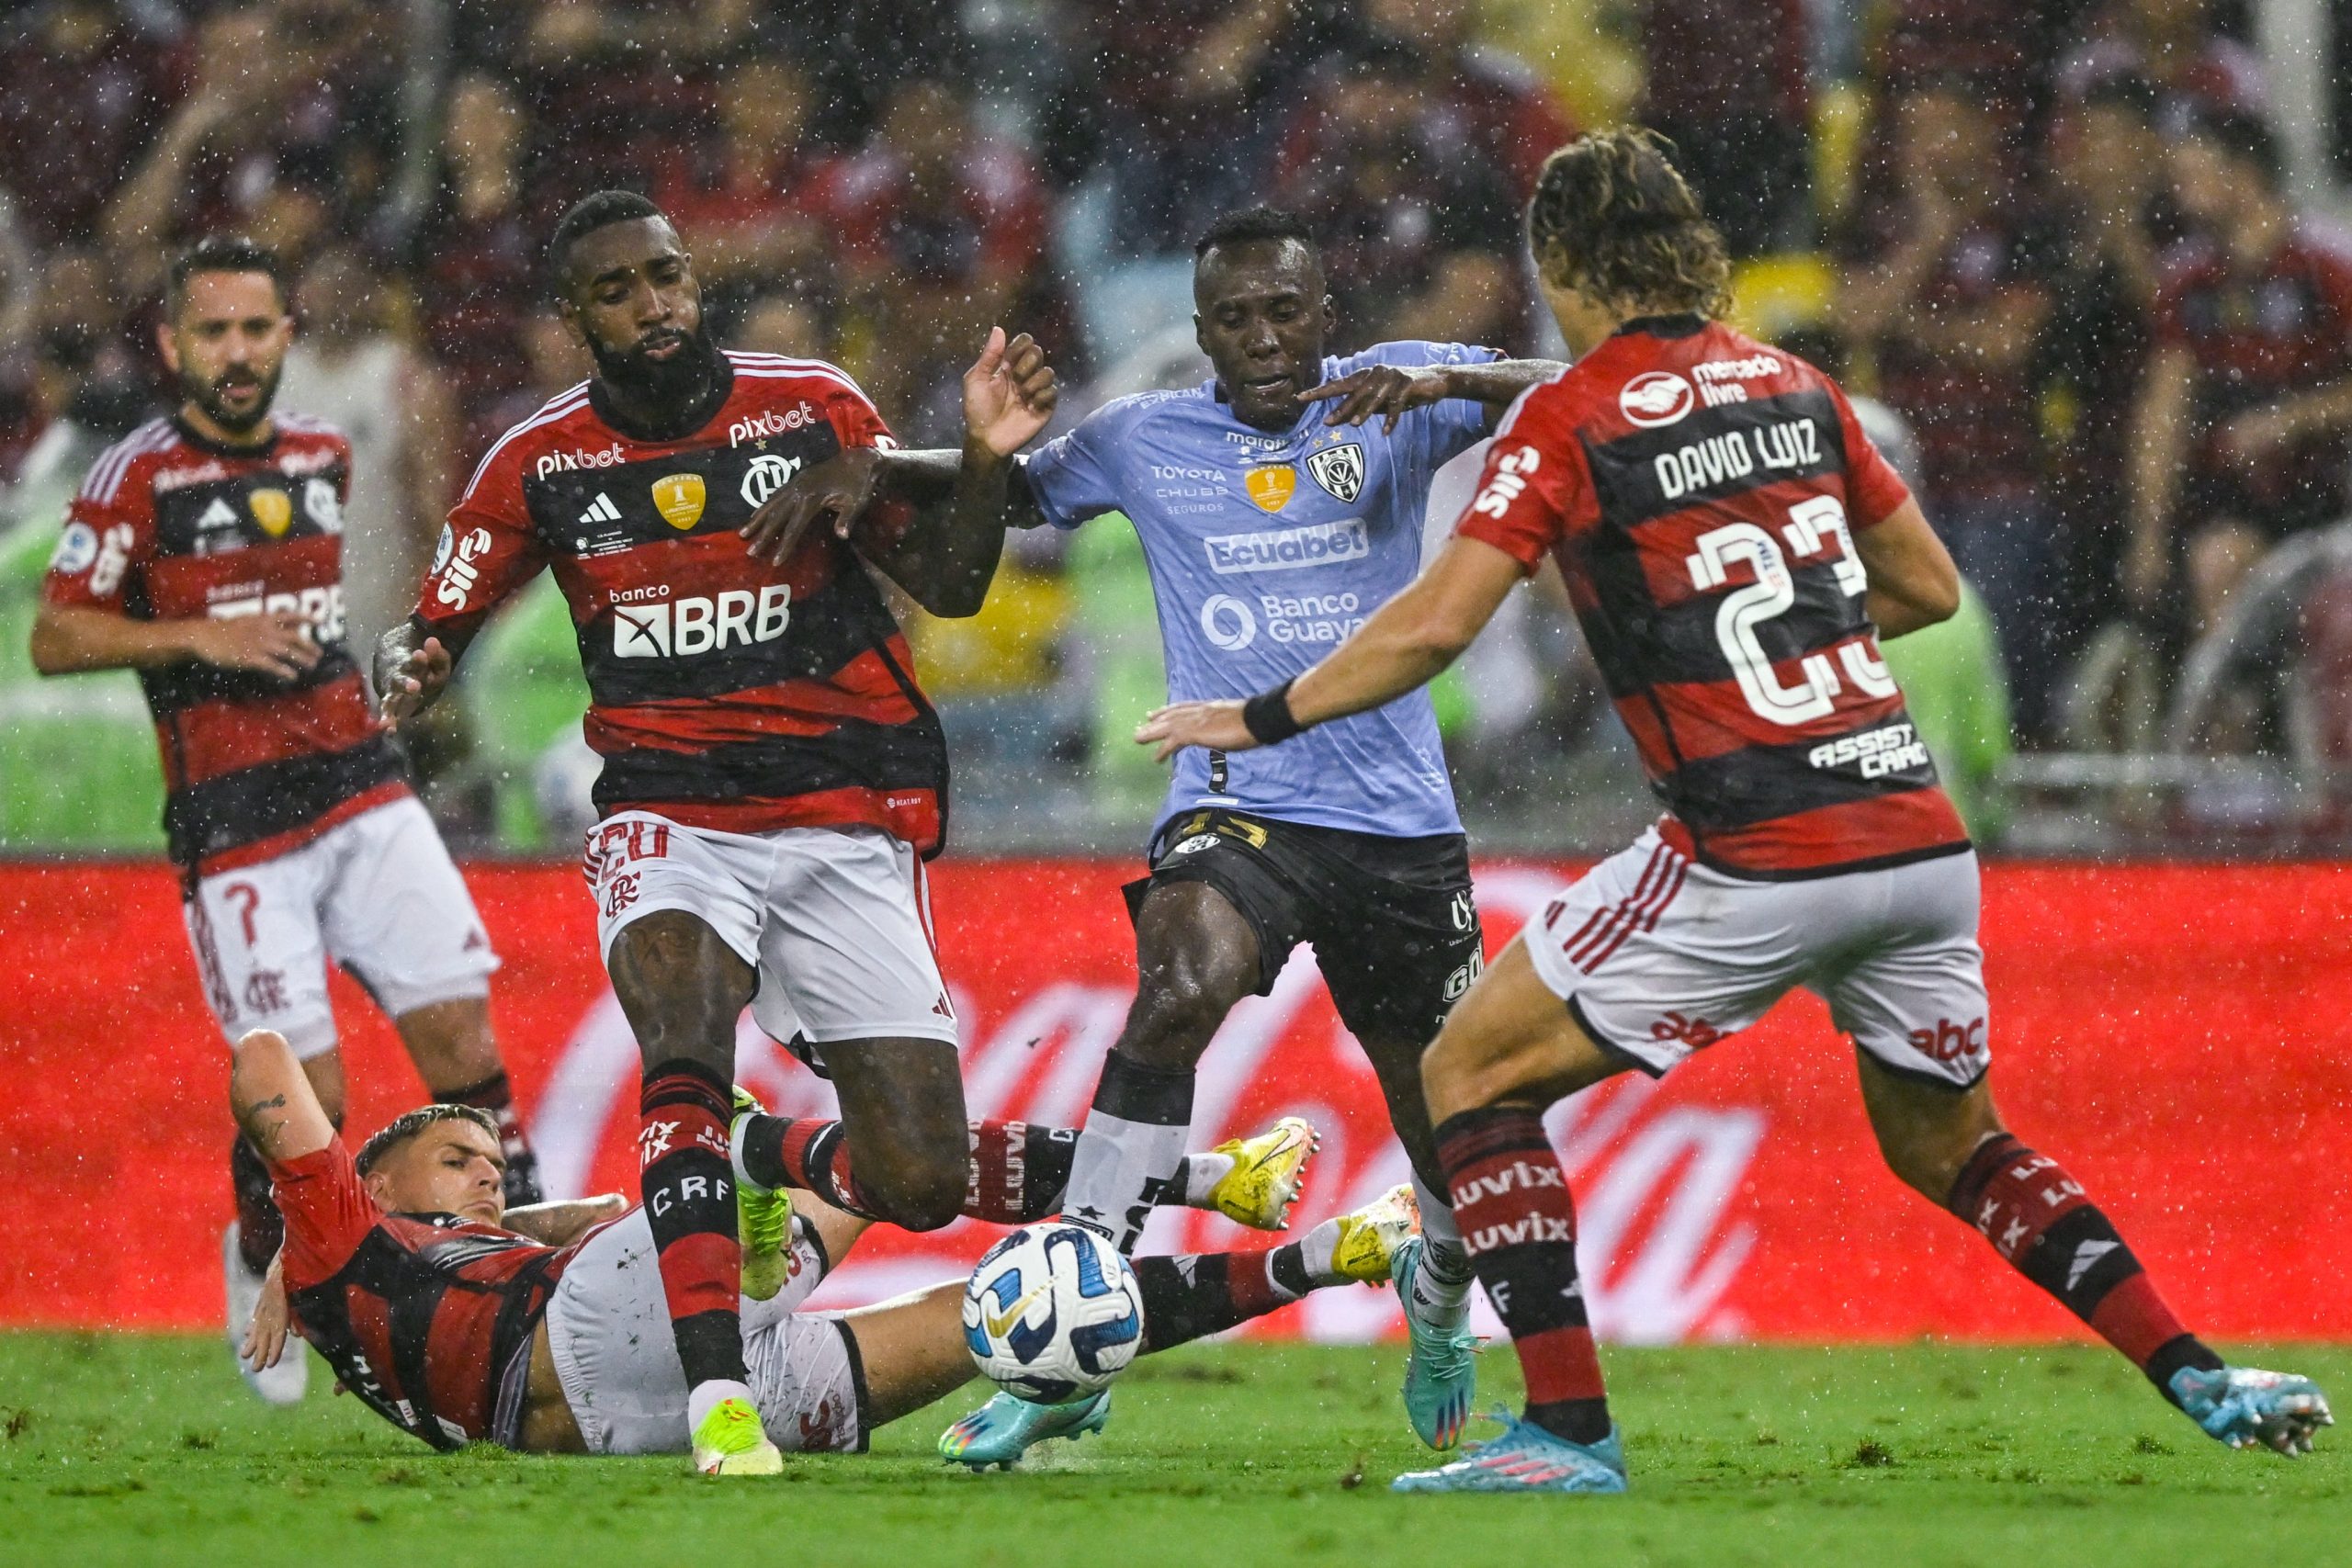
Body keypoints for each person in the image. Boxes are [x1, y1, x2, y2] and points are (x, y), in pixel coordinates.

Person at [1139, 130, 2334, 1494]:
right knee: (1959, 1144)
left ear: (1561, 264)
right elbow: (1931, 586)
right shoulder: (1795, 383)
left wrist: (1260, 712)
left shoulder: (1571, 420)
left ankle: (1568, 1433)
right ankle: (2203, 1370)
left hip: (1754, 841)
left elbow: (1434, 626)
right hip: (1914, 834)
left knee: (1467, 1072)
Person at [375, 190, 1057, 1475]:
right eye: (620, 291)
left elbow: (958, 584)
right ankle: (718, 1403)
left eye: (668, 277)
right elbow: (440, 616)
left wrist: (974, 456)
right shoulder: (540, 462)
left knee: (915, 1177)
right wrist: (410, 666)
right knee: (679, 1035)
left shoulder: (810, 406)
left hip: (842, 812)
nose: (655, 306)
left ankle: (752, 1160)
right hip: (668, 807)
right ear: (574, 319)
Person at [914, 205, 1565, 1460]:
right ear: (1201, 330)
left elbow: (1591, 388)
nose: (1264, 337)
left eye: (1286, 310)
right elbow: (982, 522)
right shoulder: (1143, 436)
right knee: (1178, 984)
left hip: (1398, 824)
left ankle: (1436, 1286)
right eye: (1235, 317)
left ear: (1326, 313)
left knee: (1441, 1109)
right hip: (1237, 801)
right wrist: (982, 451)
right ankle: (1068, 1353)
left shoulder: (1399, 398)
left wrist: (1456, 374)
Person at [28, 235, 540, 1408]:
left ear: (287, 336)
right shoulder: (133, 478)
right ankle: (260, 1254)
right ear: (171, 345)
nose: (239, 352)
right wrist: (193, 638)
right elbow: (55, 635)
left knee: (464, 1044)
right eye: (213, 332)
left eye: (257, 329)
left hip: (360, 779)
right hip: (233, 817)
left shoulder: (321, 455)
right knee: (315, 1100)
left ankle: (519, 1278)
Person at [228, 1025, 1416, 1468]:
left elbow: (534, 1232)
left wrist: (505, 1216)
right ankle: (1237, 1190)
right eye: (455, 1154)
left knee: (1011, 1303)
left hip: (593, 1417)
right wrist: (291, 1226)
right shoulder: (339, 1222)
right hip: (596, 1346)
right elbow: (263, 1056)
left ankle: (1311, 1240)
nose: (486, 1164)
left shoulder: (406, 1263)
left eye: (491, 1153)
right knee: (921, 1198)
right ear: (371, 1176)